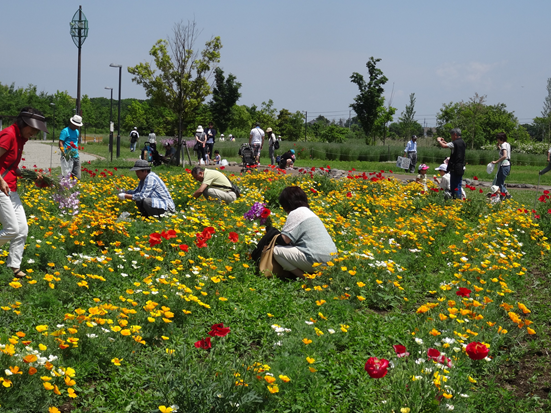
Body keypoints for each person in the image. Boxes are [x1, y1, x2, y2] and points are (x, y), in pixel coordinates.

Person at [0, 107, 48, 278]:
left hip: (10, 188)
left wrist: (31, 174)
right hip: (1, 188)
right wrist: (1, 180)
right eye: (33, 129)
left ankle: (14, 266)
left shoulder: (21, 138)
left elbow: (11, 167)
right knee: (12, 229)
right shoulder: (9, 135)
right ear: (24, 123)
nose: (34, 133)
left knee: (22, 229)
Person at [273, 186, 337, 278]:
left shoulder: (296, 213)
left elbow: (284, 240)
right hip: (332, 260)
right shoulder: (311, 213)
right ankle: (318, 275)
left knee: (277, 251)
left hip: (316, 259)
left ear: (286, 204)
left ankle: (305, 278)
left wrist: (271, 231)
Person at [437, 128, 465, 199]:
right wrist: (445, 142)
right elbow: (452, 147)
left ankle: (456, 200)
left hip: (455, 167)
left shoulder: (455, 143)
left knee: (454, 185)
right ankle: (458, 199)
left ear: (455, 134)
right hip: (461, 166)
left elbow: (444, 146)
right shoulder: (462, 142)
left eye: (451, 135)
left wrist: (439, 141)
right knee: (458, 184)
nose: (451, 137)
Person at [58, 115, 83, 179]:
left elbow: (75, 142)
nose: (77, 127)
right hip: (67, 156)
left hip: (75, 155)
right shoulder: (65, 131)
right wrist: (63, 153)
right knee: (66, 174)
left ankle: (76, 185)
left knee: (77, 175)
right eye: (76, 125)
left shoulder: (77, 131)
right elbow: (61, 142)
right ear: (72, 123)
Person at [491, 132, 512, 200]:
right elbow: (505, 152)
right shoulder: (507, 144)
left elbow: (505, 155)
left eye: (498, 139)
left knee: (500, 182)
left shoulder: (503, 145)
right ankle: (503, 195)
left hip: (504, 165)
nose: (497, 140)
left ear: (501, 139)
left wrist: (496, 161)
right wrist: (499, 147)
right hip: (507, 165)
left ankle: (504, 195)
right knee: (500, 182)